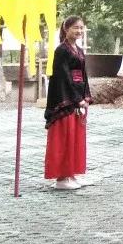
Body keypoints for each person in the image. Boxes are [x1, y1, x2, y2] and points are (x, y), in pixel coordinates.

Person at [44, 16, 93, 190]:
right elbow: (64, 77)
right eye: (75, 27)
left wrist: (86, 97)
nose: (79, 31)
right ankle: (62, 178)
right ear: (66, 29)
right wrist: (77, 99)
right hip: (65, 99)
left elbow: (83, 75)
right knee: (64, 138)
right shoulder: (61, 50)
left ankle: (71, 174)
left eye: (81, 28)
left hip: (77, 97)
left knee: (75, 138)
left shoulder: (78, 50)